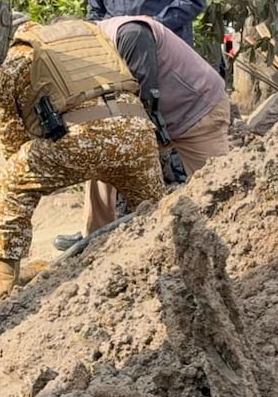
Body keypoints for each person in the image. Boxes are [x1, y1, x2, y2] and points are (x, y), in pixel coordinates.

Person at [0, 17, 165, 301]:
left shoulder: (15, 58)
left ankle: (4, 277)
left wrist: (40, 161)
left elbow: (12, 141)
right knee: (154, 211)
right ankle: (164, 261)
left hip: (81, 140)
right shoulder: (88, 40)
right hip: (139, 133)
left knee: (14, 178)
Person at [53, 15, 231, 250]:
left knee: (221, 185)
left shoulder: (129, 34)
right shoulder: (94, 55)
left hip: (198, 110)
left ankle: (233, 237)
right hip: (163, 114)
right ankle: (93, 237)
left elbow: (145, 100)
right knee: (102, 158)